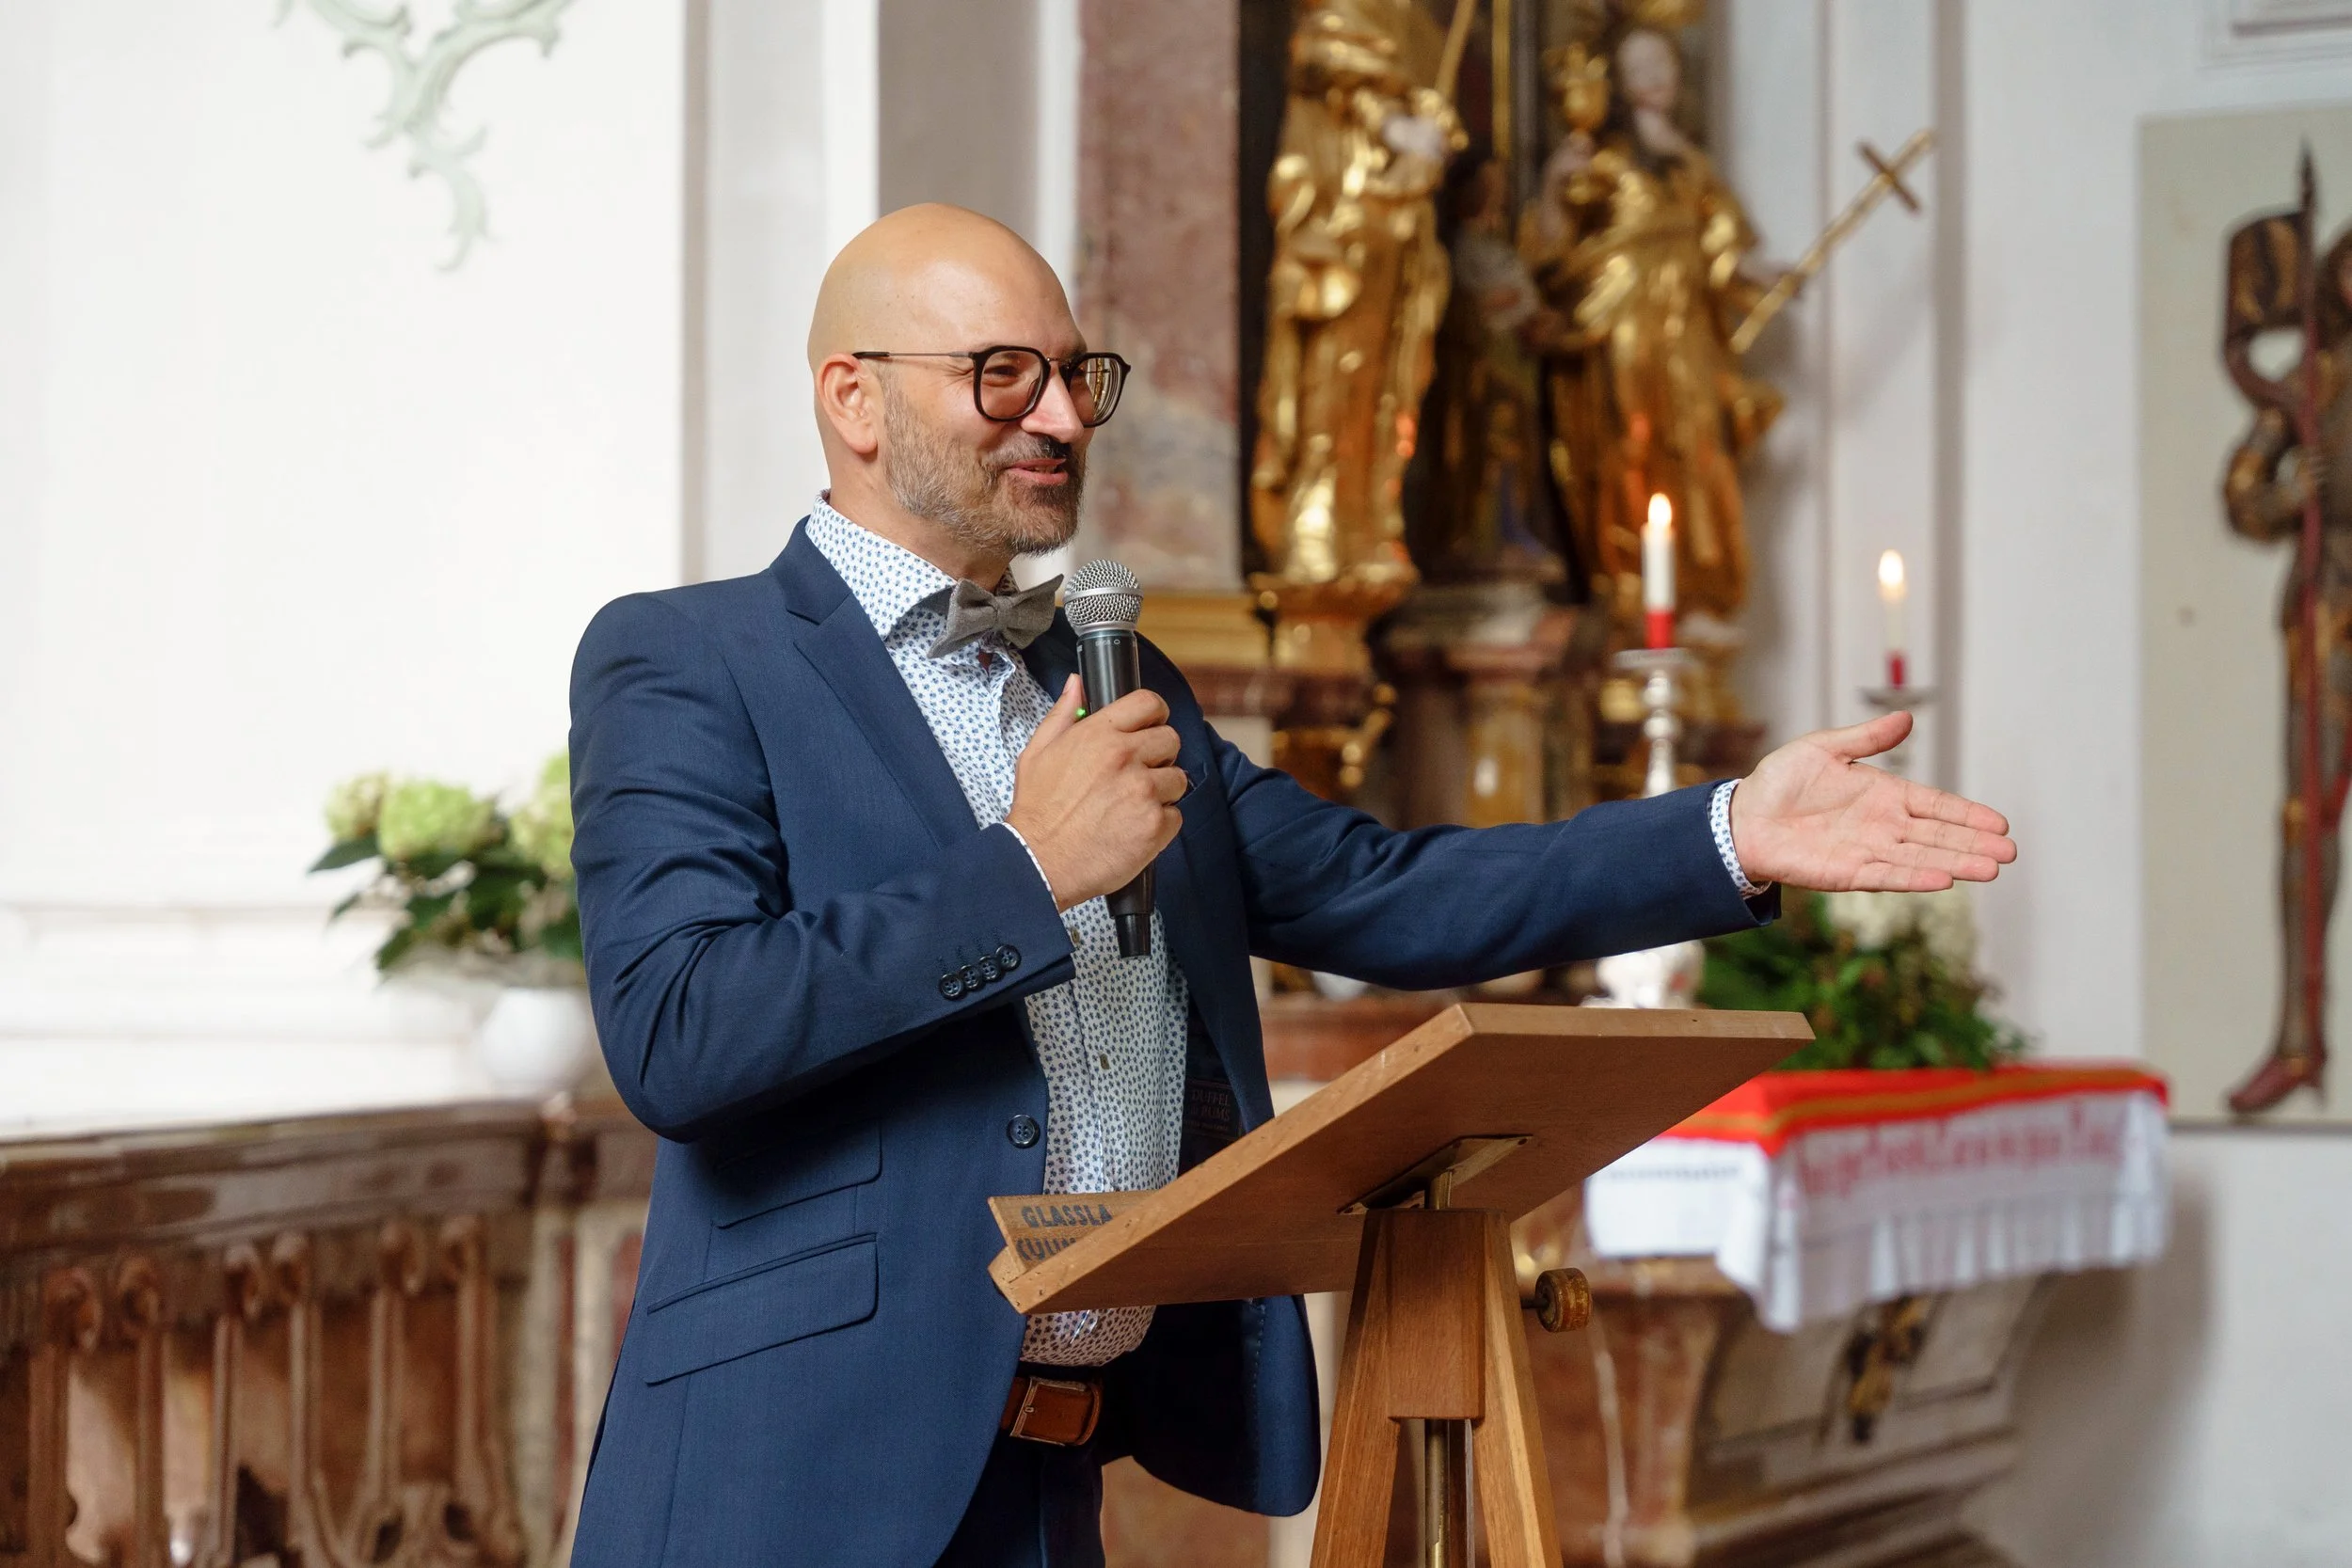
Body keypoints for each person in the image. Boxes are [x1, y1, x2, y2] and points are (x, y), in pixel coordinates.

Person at [564, 203, 2014, 1568]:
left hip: (1054, 1474)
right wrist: (1029, 868)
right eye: (1003, 375)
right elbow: (682, 1030)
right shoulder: (690, 660)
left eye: (1076, 376)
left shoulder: (1114, 675)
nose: (1061, 418)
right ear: (855, 399)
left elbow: (1385, 890)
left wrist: (1728, 831)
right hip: (786, 1476)